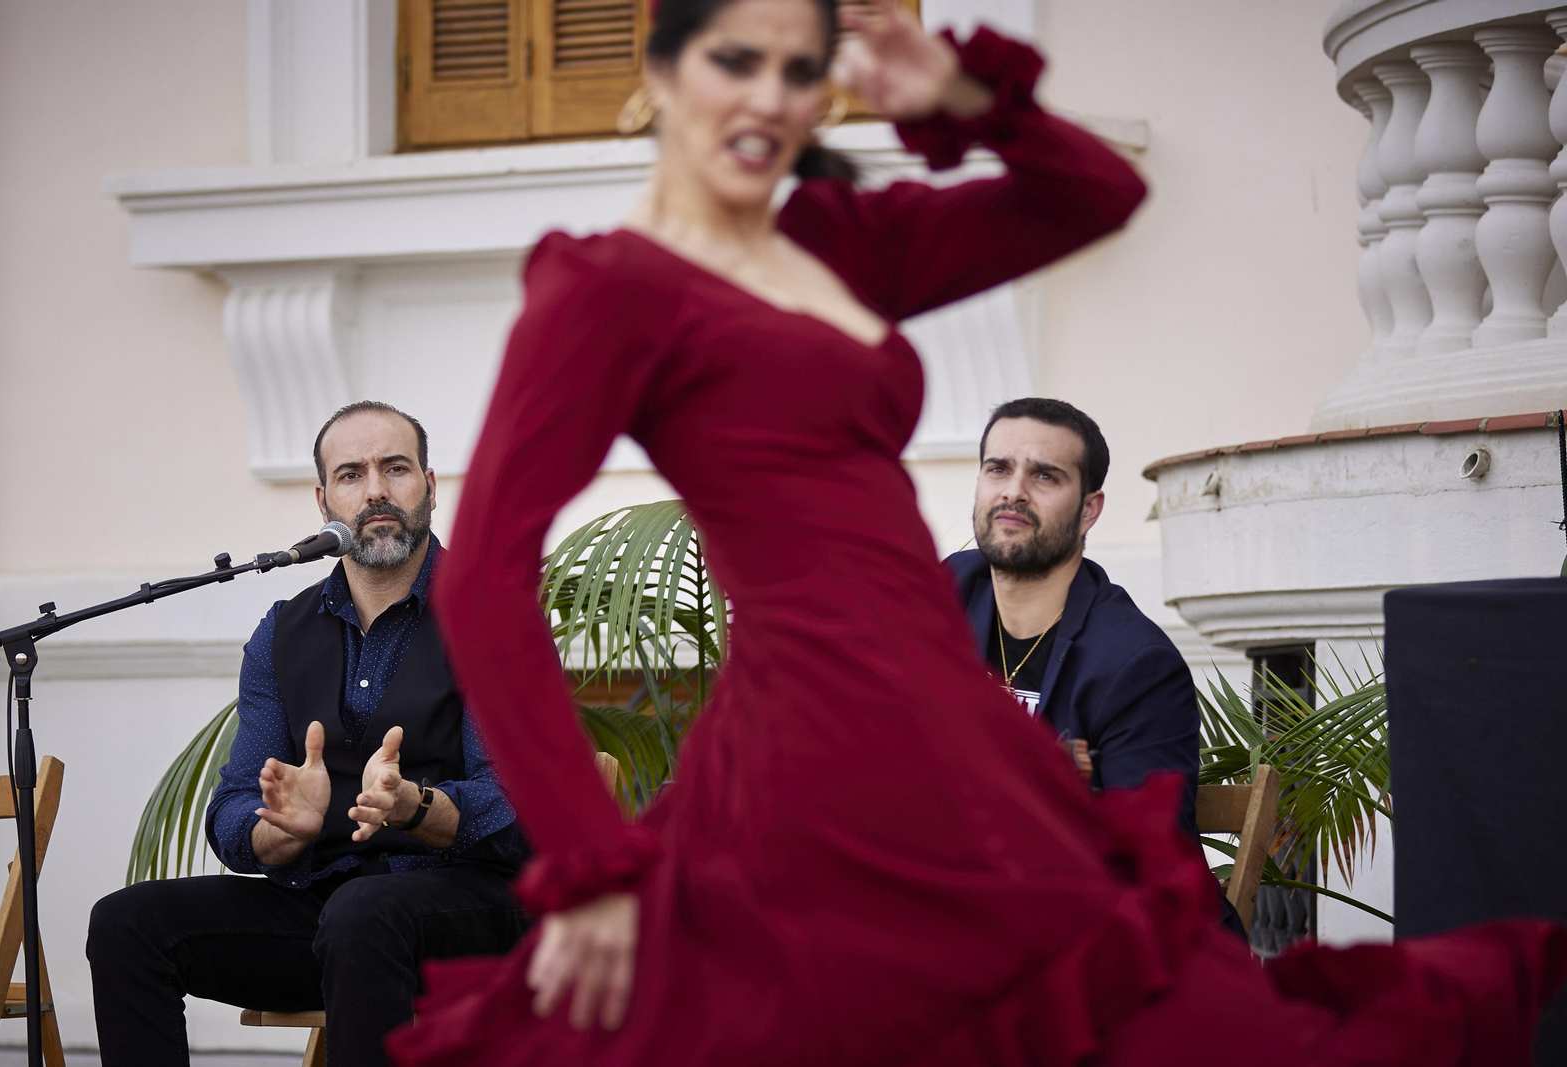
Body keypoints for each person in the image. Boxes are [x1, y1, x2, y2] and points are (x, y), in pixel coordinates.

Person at [389, 1, 1565, 1064]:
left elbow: (1093, 193)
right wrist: (591, 867)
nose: (769, 97)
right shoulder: (610, 288)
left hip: (944, 709)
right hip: (816, 714)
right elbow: (482, 578)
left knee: (1123, 1015)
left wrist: (955, 95)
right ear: (657, 64)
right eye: (734, 59)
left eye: (802, 70)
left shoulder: (838, 244)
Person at [87, 402, 530, 1067]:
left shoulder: (490, 613)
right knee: (128, 924)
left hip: (473, 906)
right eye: (351, 474)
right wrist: (279, 828)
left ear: (431, 487)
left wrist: (415, 805)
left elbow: (518, 805)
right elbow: (235, 804)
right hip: (329, 914)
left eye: (396, 467)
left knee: (363, 913)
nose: (376, 489)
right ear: (324, 502)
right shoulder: (281, 632)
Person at [947, 398, 1199, 832]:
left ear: (1088, 510)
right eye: (998, 469)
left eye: (1045, 476)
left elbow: (1147, 861)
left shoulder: (1136, 666)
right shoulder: (944, 599)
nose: (1013, 491)